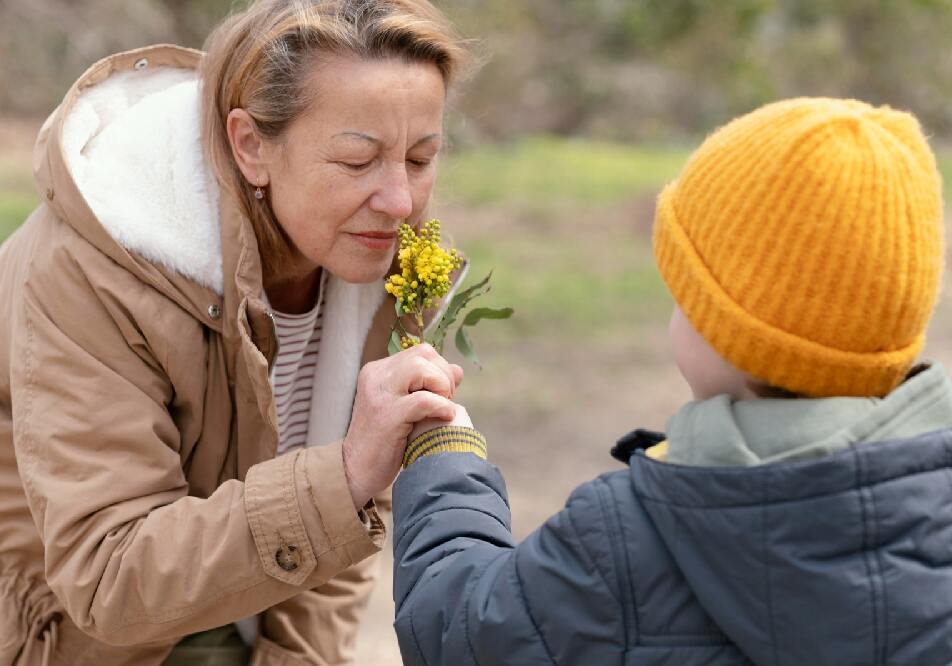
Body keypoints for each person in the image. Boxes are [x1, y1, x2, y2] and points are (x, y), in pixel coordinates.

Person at [0, 0, 472, 663]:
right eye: (357, 161)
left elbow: (339, 531)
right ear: (252, 146)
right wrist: (343, 476)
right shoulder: (96, 268)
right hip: (28, 614)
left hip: (210, 587)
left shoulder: (382, 265)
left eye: (421, 158)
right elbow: (110, 574)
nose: (401, 201)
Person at [388, 98, 952, 664]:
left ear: (729, 334)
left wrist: (446, 454)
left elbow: (458, 633)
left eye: (686, 295)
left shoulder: (622, 544)